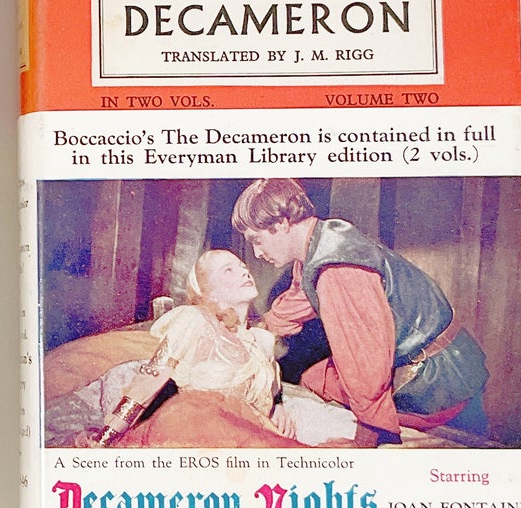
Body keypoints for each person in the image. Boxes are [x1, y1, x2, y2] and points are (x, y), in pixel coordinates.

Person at [232, 178, 489, 447]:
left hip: (440, 381)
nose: (257, 253)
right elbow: (296, 302)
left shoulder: (337, 271)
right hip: (446, 361)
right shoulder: (322, 240)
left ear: (282, 224)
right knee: (314, 379)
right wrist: (250, 332)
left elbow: (365, 367)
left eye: (257, 240)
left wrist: (362, 443)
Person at [44, 249, 354, 448]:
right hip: (196, 428)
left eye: (242, 266)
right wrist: (108, 435)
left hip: (248, 437)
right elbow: (150, 379)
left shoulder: (260, 341)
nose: (244, 271)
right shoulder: (195, 320)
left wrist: (277, 407)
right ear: (209, 292)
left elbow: (263, 396)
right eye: (228, 270)